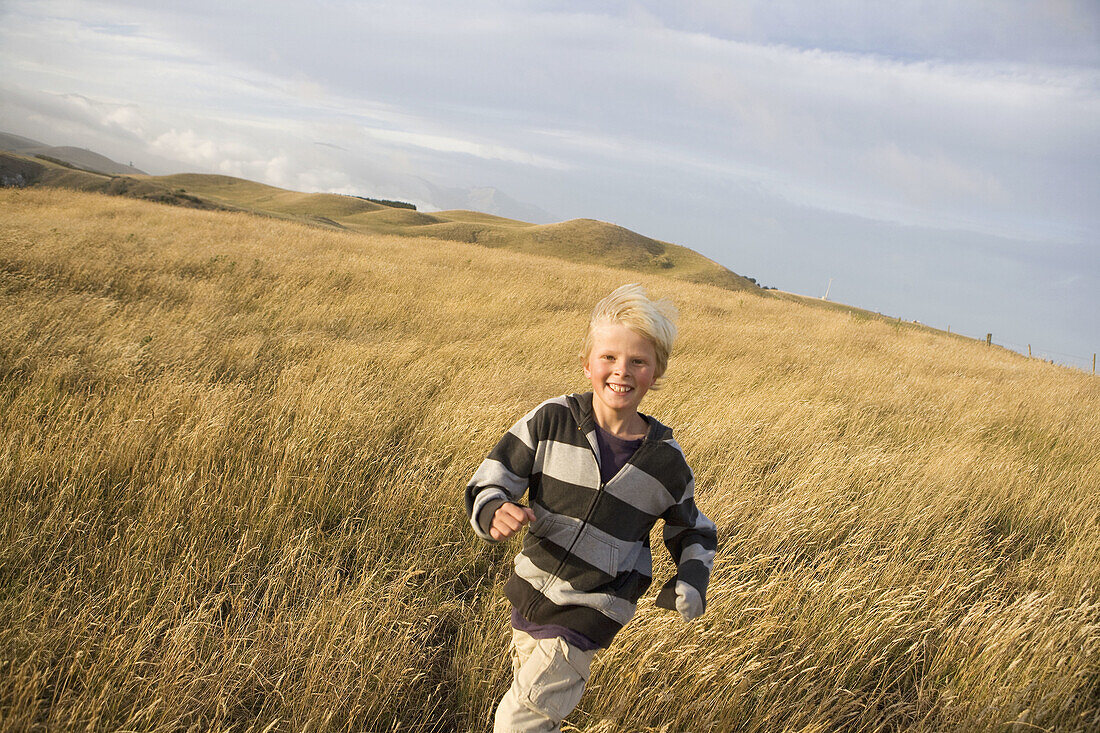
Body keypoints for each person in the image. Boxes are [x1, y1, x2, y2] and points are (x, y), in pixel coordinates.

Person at [465, 283, 718, 732]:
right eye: (609, 357)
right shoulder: (552, 419)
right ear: (586, 364)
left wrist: (692, 579)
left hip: (591, 610)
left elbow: (694, 529)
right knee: (539, 716)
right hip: (528, 592)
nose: (622, 370)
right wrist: (493, 509)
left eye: (638, 361)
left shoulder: (665, 462)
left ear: (656, 372)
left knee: (517, 721)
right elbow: (493, 476)